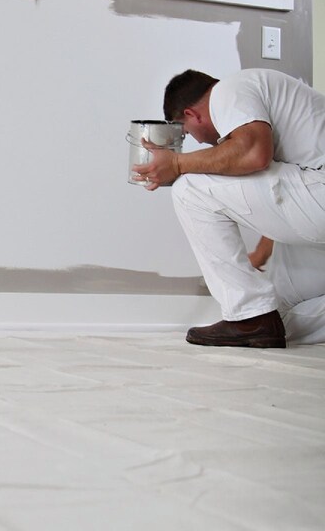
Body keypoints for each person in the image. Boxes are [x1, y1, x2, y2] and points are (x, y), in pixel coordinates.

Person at [132, 68, 325, 348]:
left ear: (191, 114)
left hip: (319, 192)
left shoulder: (229, 90)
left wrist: (176, 163)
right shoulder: (261, 98)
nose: (198, 141)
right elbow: (282, 193)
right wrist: (261, 252)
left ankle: (248, 318)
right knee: (278, 317)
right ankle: (256, 319)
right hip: (315, 201)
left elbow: (254, 153)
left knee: (189, 188)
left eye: (187, 132)